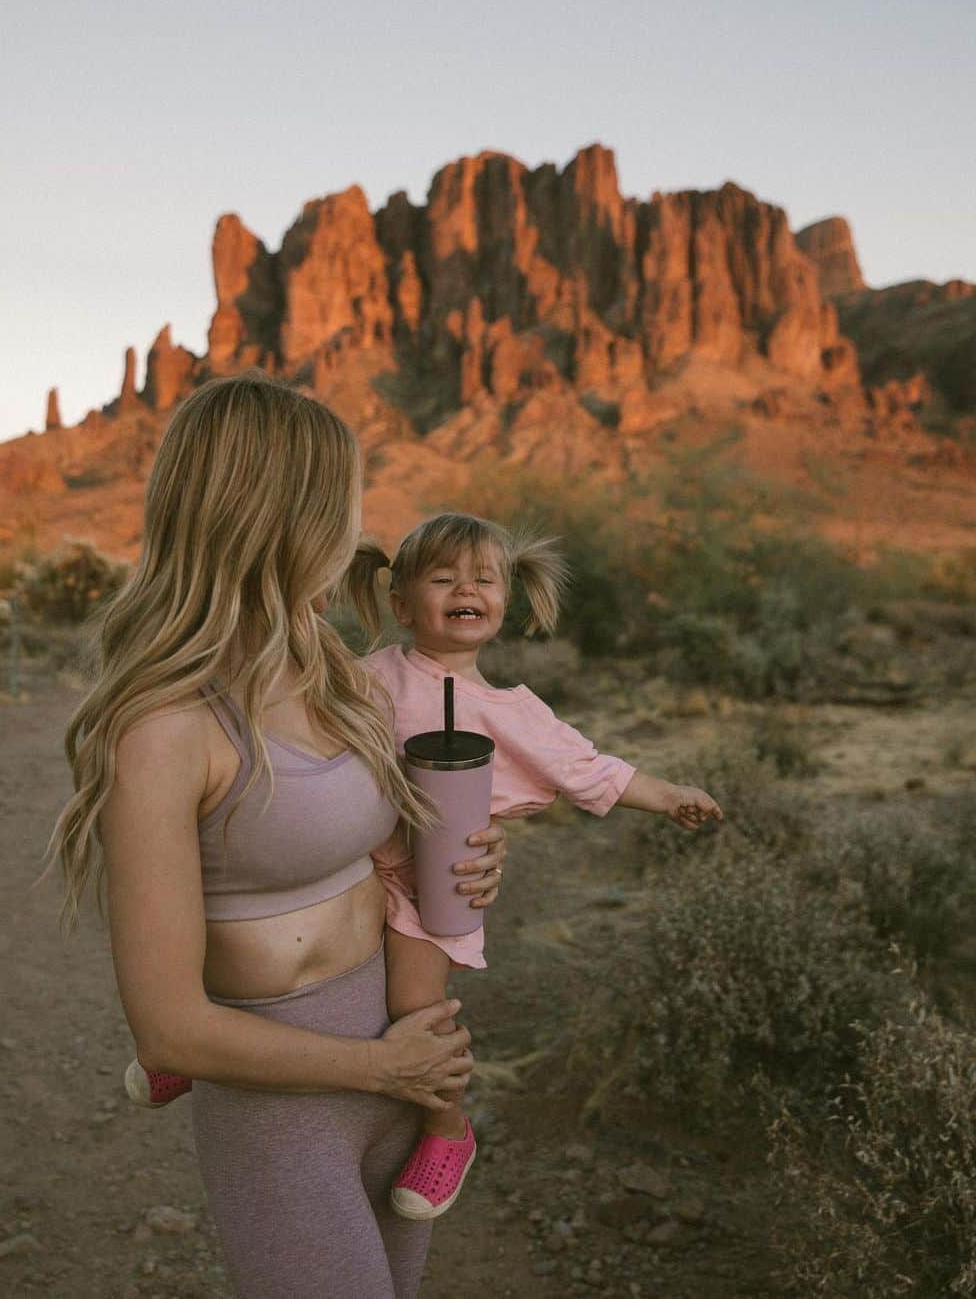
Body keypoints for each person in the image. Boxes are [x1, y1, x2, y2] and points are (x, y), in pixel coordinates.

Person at [38, 368, 510, 1299]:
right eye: (341, 504)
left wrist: (471, 858)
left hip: (400, 1063)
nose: (352, 531)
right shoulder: (163, 728)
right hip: (284, 1105)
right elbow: (169, 1029)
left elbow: (372, 844)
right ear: (281, 516)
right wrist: (378, 1065)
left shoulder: (326, 662)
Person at [125, 507, 725, 1226]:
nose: (464, 589)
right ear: (402, 604)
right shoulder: (362, 676)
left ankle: (447, 1129)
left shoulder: (513, 712)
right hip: (353, 861)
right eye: (443, 579)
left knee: (414, 1005)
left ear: (505, 599)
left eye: (483, 579)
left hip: (428, 881)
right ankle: (194, 1043)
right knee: (232, 930)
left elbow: (590, 770)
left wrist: (670, 799)